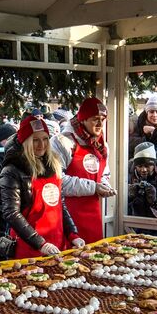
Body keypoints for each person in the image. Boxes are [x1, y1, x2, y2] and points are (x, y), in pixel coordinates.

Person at [0, 115, 83, 259]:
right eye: (35, 140)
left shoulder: (53, 165)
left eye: (45, 139)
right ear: (25, 141)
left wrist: (73, 234)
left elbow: (60, 205)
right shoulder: (12, 170)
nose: (41, 144)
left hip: (57, 243)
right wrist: (40, 243)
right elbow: (11, 213)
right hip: (29, 247)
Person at [54, 97, 115, 243]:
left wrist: (104, 185)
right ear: (83, 119)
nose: (100, 124)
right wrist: (94, 187)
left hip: (93, 216)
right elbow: (57, 181)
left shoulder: (101, 145)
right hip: (68, 219)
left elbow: (104, 173)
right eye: (95, 119)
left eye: (103, 119)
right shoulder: (63, 142)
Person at [126, 142, 157, 218]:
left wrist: (155, 197)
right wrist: (127, 193)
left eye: (147, 166)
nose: (144, 170)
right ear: (135, 166)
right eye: (140, 166)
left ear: (154, 164)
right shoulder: (127, 171)